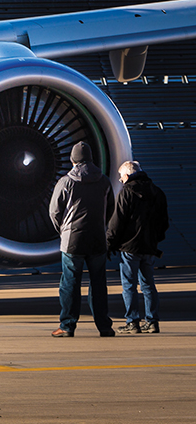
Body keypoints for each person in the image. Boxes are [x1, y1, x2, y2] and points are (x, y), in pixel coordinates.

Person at [48, 141, 115, 337]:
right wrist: (101, 227)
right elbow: (110, 208)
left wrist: (63, 230)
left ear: (73, 159)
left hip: (72, 240)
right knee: (98, 284)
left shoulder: (66, 182)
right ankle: (104, 326)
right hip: (97, 239)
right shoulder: (103, 181)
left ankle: (68, 325)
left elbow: (54, 212)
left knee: (70, 283)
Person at [107, 160, 170, 334]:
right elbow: (164, 222)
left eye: (121, 178)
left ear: (127, 176)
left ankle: (132, 322)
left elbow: (116, 223)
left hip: (129, 247)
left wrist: (109, 244)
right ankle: (152, 321)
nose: (120, 181)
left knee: (129, 285)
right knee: (149, 284)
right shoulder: (157, 192)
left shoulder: (126, 193)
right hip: (149, 246)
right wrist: (155, 239)